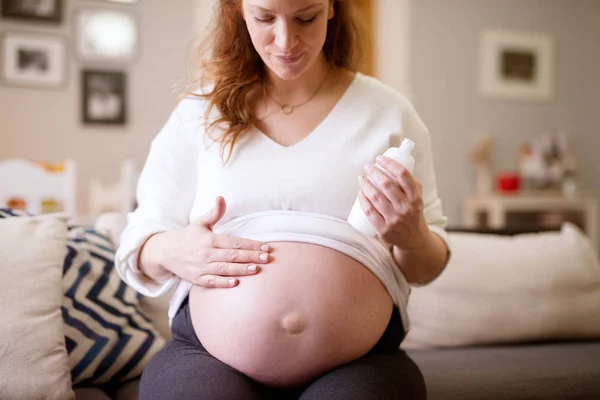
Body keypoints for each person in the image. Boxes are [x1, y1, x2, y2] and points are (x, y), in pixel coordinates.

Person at [115, 0, 451, 398]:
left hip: (361, 361)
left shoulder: (389, 114)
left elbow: (425, 267)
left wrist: (411, 235)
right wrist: (174, 250)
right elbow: (137, 243)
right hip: (208, 357)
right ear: (239, 11)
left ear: (330, 8)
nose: (285, 40)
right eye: (264, 18)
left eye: (305, 18)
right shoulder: (199, 113)